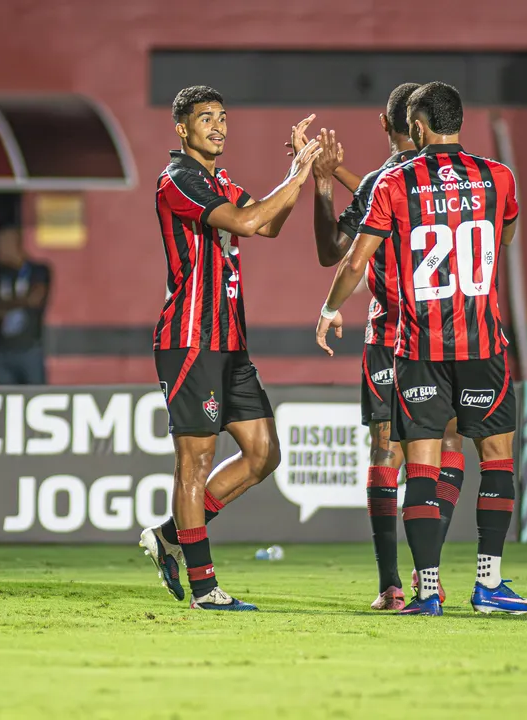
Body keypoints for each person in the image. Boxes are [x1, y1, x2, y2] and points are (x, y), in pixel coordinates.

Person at [315, 82, 527, 617]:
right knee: (497, 457)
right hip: (483, 341)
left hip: (418, 346)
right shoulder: (498, 177)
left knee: (420, 464)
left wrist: (328, 309)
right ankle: (489, 583)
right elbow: (506, 238)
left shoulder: (395, 180)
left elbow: (349, 261)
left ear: (415, 127)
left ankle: (427, 591)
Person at [139, 85, 322, 612]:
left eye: (222, 117)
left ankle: (171, 537)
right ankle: (203, 588)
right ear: (182, 129)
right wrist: (295, 178)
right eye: (205, 119)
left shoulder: (218, 180)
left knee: (264, 453)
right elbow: (245, 221)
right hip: (190, 340)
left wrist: (299, 174)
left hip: (230, 341)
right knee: (194, 463)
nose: (218, 126)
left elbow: (269, 223)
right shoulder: (179, 179)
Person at [301, 83, 467, 611]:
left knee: (387, 452)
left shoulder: (387, 180)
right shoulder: (466, 178)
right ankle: (431, 577)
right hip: (458, 332)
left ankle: (391, 584)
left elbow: (335, 252)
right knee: (449, 450)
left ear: (385, 123)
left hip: (394, 336)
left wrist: (323, 184)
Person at [0, 227, 51, 385]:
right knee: (3, 400)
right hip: (2, 351)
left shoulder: (38, 271)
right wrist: (22, 300)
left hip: (30, 348)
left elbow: (36, 299)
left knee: (35, 397)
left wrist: (2, 304)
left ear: (13, 244)